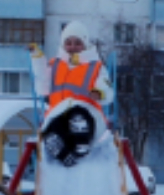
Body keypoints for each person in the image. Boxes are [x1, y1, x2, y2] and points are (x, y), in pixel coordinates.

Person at [29, 21, 114, 166]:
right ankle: (63, 154)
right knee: (51, 130)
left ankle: (81, 143)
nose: (73, 47)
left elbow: (106, 87)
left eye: (77, 43)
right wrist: (37, 60)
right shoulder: (55, 64)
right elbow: (42, 87)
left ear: (85, 44)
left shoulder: (95, 66)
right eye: (68, 43)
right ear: (63, 44)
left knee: (77, 114)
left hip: (87, 114)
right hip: (59, 113)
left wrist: (99, 93)